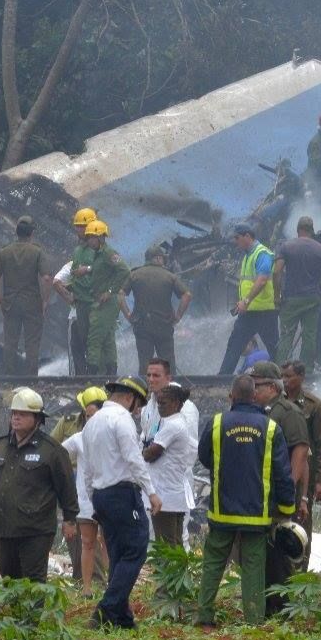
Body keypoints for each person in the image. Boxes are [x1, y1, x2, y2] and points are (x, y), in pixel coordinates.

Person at [196, 375, 296, 627]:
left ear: (231, 396)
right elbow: (283, 473)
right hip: (256, 514)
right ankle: (254, 621)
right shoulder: (270, 428)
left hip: (222, 511)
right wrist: (286, 509)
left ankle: (204, 618)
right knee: (253, 568)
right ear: (254, 397)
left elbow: (205, 458)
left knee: (213, 564)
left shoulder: (217, 423)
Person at [0, 387, 79, 582]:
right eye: (14, 413)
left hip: (36, 529)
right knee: (8, 576)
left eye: (22, 414)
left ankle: (32, 613)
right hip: (2, 526)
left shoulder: (51, 451)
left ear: (37, 419)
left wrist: (69, 519)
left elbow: (66, 488)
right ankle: (15, 613)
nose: (16, 418)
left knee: (33, 578)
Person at [81, 376, 162, 630]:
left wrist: (92, 498)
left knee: (117, 554)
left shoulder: (91, 424)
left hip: (101, 495)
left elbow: (86, 469)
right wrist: (151, 492)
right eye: (137, 406)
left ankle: (122, 618)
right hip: (122, 493)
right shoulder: (121, 419)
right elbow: (134, 458)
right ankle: (106, 609)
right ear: (129, 398)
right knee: (136, 547)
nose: (137, 411)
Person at [248, 361, 309, 616]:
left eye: (257, 385)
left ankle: (282, 607)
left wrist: (290, 488)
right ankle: (269, 604)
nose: (253, 390)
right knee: (266, 552)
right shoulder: (262, 411)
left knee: (279, 553)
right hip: (264, 493)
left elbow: (301, 450)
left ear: (272, 386)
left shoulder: (287, 412)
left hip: (278, 494)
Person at [53, 386, 108, 592]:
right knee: (84, 540)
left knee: (106, 541)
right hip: (81, 491)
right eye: (88, 414)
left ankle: (103, 582)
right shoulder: (77, 434)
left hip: (106, 492)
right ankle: (86, 584)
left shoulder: (114, 432)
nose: (91, 418)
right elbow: (55, 452)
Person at [141, 358, 201, 542]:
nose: (151, 379)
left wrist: (172, 465)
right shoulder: (149, 406)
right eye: (149, 375)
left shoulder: (185, 409)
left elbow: (190, 448)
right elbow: (144, 438)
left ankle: (173, 571)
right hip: (153, 480)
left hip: (174, 480)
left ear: (168, 377)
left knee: (175, 538)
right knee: (154, 537)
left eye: (156, 375)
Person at [272, 217, 321, 369]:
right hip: (312, 299)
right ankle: (306, 372)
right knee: (309, 336)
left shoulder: (286, 247)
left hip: (291, 299)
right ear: (311, 230)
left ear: (298, 230)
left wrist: (276, 296)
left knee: (286, 335)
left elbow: (277, 271)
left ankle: (280, 370)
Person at [0, 216, 54, 375]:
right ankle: (31, 378)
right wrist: (45, 300)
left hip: (10, 304)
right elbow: (46, 278)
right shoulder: (37, 252)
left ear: (16, 232)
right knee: (32, 343)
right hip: (32, 304)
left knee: (10, 342)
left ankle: (10, 377)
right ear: (31, 233)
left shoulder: (4, 252)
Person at [281, 360, 321, 571]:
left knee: (302, 521)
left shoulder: (313, 405)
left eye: (289, 376)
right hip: (282, 470)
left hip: (305, 474)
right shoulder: (278, 402)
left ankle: (301, 567)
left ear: (300, 377)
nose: (284, 380)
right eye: (282, 376)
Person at [119, 245, 192, 374]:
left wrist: (128, 315)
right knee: (167, 364)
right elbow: (187, 295)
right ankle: (169, 391)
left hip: (141, 326)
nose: (164, 261)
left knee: (144, 363)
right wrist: (178, 316)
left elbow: (120, 295)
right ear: (158, 258)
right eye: (163, 258)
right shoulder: (170, 276)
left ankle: (144, 391)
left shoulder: (134, 275)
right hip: (164, 325)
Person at [218, 224, 279, 375]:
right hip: (249, 312)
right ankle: (222, 378)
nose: (236, 241)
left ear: (247, 236)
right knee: (234, 345)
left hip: (264, 312)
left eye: (237, 238)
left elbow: (262, 280)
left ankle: (280, 377)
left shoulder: (262, 254)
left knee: (274, 347)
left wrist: (246, 301)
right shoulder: (247, 255)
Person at [52, 207, 98, 375]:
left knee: (78, 354)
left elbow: (56, 281)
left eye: (80, 226)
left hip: (79, 316)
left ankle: (80, 383)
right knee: (94, 354)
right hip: (95, 315)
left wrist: (70, 298)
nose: (78, 230)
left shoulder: (81, 256)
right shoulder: (98, 254)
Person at [85, 220, 131, 376]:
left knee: (94, 339)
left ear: (100, 237)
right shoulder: (99, 254)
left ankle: (91, 375)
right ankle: (111, 374)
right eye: (88, 237)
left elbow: (124, 270)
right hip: (105, 302)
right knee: (108, 340)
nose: (89, 240)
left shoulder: (108, 253)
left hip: (105, 303)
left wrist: (110, 291)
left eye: (92, 237)